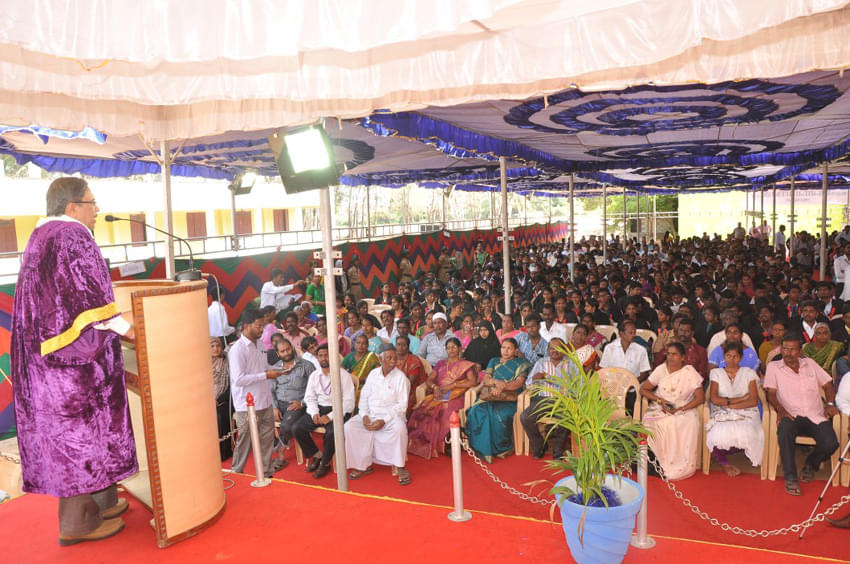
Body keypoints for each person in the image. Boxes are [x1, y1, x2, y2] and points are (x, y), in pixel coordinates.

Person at [11, 177, 137, 545]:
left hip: (44, 364)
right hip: (68, 370)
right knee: (79, 438)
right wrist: (125, 326)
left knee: (83, 435)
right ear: (72, 208)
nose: (97, 209)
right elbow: (86, 295)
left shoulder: (42, 236)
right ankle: (78, 523)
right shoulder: (71, 235)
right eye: (92, 202)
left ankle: (101, 501)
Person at [764, 334, 839, 496]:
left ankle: (810, 465)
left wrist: (830, 404)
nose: (788, 353)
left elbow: (827, 384)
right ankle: (790, 477)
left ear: (800, 351)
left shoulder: (810, 364)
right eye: (785, 349)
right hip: (791, 414)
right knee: (785, 431)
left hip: (815, 415)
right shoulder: (774, 367)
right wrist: (780, 409)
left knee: (831, 443)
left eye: (793, 349)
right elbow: (771, 393)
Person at [229, 308, 287, 478]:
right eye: (258, 325)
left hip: (265, 399)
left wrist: (280, 370)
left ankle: (267, 473)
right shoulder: (237, 349)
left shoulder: (261, 344)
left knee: (267, 440)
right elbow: (238, 379)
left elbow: (264, 368)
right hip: (246, 405)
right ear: (246, 326)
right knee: (245, 441)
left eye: (263, 325)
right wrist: (266, 375)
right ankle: (236, 473)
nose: (262, 329)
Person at [345, 345, 412, 485]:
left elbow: (402, 406)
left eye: (395, 358)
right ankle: (362, 465)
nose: (393, 361)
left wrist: (384, 420)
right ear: (380, 359)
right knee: (349, 427)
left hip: (391, 417)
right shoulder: (373, 374)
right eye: (389, 358)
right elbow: (363, 397)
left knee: (399, 429)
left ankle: (400, 467)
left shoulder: (401, 378)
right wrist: (364, 416)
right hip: (370, 414)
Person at [640, 342, 705, 480]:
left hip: (684, 407)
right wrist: (660, 401)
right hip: (660, 406)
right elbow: (643, 389)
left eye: (674, 354)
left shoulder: (689, 372)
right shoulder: (661, 370)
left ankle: (674, 465)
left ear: (682, 357)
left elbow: (700, 398)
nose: (670, 357)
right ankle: (655, 463)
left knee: (684, 422)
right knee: (655, 423)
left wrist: (681, 408)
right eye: (668, 354)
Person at [408, 338, 478, 459]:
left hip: (457, 395)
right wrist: (434, 387)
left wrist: (454, 385)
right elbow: (429, 380)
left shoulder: (466, 365)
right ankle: (423, 441)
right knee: (423, 407)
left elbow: (472, 382)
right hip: (440, 394)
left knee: (446, 408)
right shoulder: (441, 364)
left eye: (454, 347)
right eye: (448, 347)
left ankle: (445, 444)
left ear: (460, 349)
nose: (451, 350)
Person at [294, 345, 356, 478]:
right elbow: (309, 398)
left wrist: (330, 416)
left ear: (333, 356)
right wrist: (314, 413)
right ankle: (316, 455)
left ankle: (325, 463)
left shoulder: (343, 376)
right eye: (320, 355)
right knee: (297, 428)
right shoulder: (315, 375)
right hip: (319, 408)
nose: (323, 358)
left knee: (332, 433)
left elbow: (348, 402)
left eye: (326, 355)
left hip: (338, 409)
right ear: (317, 358)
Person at [465, 338, 531, 463]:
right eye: (503, 347)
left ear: (516, 351)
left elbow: (518, 383)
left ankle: (502, 448)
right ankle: (483, 450)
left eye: (509, 348)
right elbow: (486, 379)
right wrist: (498, 385)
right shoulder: (494, 361)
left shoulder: (522, 363)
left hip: (510, 399)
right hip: (490, 396)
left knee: (498, 415)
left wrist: (503, 387)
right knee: (477, 411)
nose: (505, 351)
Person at [705, 341, 764, 476]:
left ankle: (721, 453)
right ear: (724, 356)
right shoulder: (716, 373)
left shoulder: (748, 373)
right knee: (718, 431)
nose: (731, 359)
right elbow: (714, 399)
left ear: (741, 357)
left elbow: (753, 400)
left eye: (735, 356)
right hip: (721, 411)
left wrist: (730, 405)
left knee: (748, 432)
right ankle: (724, 463)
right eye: (728, 356)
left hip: (746, 411)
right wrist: (741, 399)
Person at [520, 338, 570, 459]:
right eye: (552, 348)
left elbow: (579, 385)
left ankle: (558, 451)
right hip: (542, 399)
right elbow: (528, 384)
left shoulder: (571, 364)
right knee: (525, 417)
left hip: (563, 400)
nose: (555, 351)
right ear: (547, 350)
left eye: (558, 348)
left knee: (566, 419)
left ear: (564, 350)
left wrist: (548, 378)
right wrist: (535, 380)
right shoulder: (541, 363)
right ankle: (540, 446)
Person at [270, 338, 314, 452]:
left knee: (286, 426)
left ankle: (279, 451)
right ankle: (279, 443)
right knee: (258, 421)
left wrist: (302, 403)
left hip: (296, 404)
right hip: (278, 404)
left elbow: (315, 389)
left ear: (292, 348)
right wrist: (274, 407)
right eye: (282, 351)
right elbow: (270, 391)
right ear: (278, 353)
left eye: (288, 349)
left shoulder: (306, 365)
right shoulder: (274, 368)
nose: (286, 353)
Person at [211, 337, 234, 462]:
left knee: (219, 415)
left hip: (225, 399)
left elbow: (231, 385)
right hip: (208, 399)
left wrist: (218, 400)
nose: (215, 349)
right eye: (212, 346)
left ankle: (224, 452)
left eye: (218, 345)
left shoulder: (228, 362)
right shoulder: (204, 363)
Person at [394, 334, 427, 415]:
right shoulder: (392, 359)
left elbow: (409, 382)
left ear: (408, 347)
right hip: (391, 390)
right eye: (398, 344)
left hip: (409, 392)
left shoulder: (413, 360)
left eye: (404, 345)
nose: (400, 347)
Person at [342, 334, 380, 399]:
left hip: (367, 386)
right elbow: (341, 370)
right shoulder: (350, 356)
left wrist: (363, 380)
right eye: (358, 343)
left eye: (363, 343)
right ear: (354, 344)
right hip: (351, 386)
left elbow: (378, 375)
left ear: (367, 346)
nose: (360, 346)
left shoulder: (371, 357)